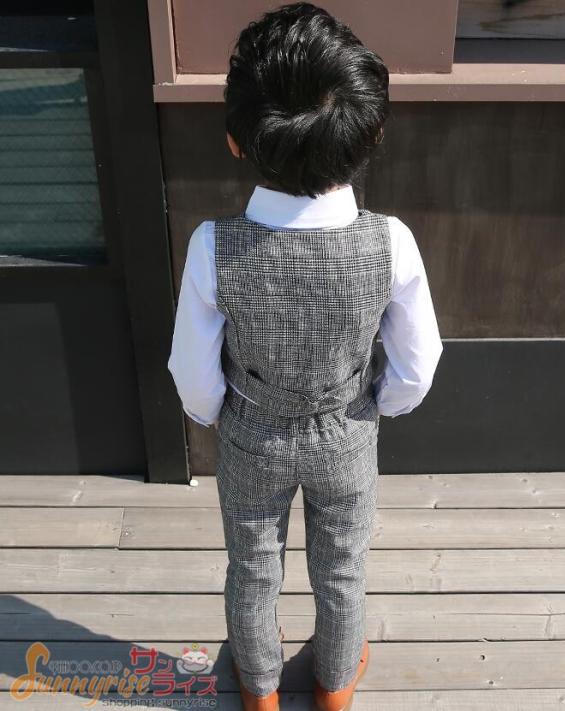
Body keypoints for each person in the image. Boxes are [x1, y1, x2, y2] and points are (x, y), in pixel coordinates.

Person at [167, 3, 444, 710]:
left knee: (252, 569)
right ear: (370, 135)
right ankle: (334, 686)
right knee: (344, 568)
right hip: (346, 428)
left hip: (250, 431)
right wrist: (377, 404)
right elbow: (417, 363)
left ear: (236, 142)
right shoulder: (390, 241)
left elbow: (192, 372)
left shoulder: (213, 246)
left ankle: (259, 692)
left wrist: (218, 413)